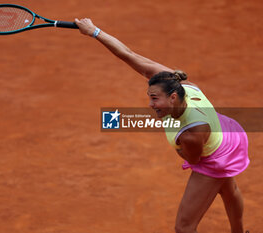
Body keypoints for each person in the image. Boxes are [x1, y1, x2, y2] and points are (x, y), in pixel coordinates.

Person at [75, 18, 250, 233]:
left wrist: (178, 146)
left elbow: (194, 159)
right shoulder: (179, 84)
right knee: (228, 188)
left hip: (213, 153)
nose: (150, 104)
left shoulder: (191, 135)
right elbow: (129, 55)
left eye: (155, 99)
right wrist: (94, 32)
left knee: (184, 227)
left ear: (173, 97)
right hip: (225, 132)